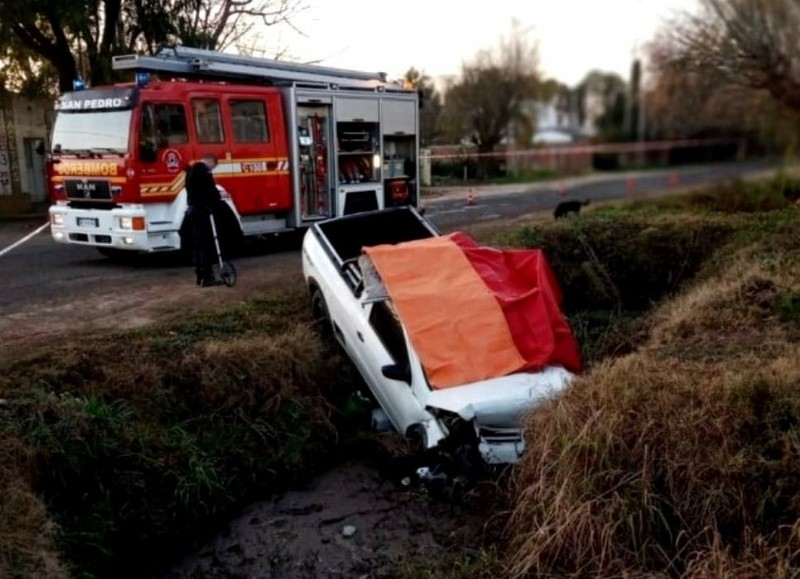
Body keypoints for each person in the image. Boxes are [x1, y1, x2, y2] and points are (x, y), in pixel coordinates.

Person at [186, 154, 224, 287]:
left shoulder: (190, 170)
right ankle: (208, 277)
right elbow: (211, 191)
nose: (212, 169)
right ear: (210, 161)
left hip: (193, 210)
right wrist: (218, 199)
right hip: (202, 211)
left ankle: (200, 275)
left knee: (198, 243)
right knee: (207, 243)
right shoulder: (204, 172)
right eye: (213, 166)